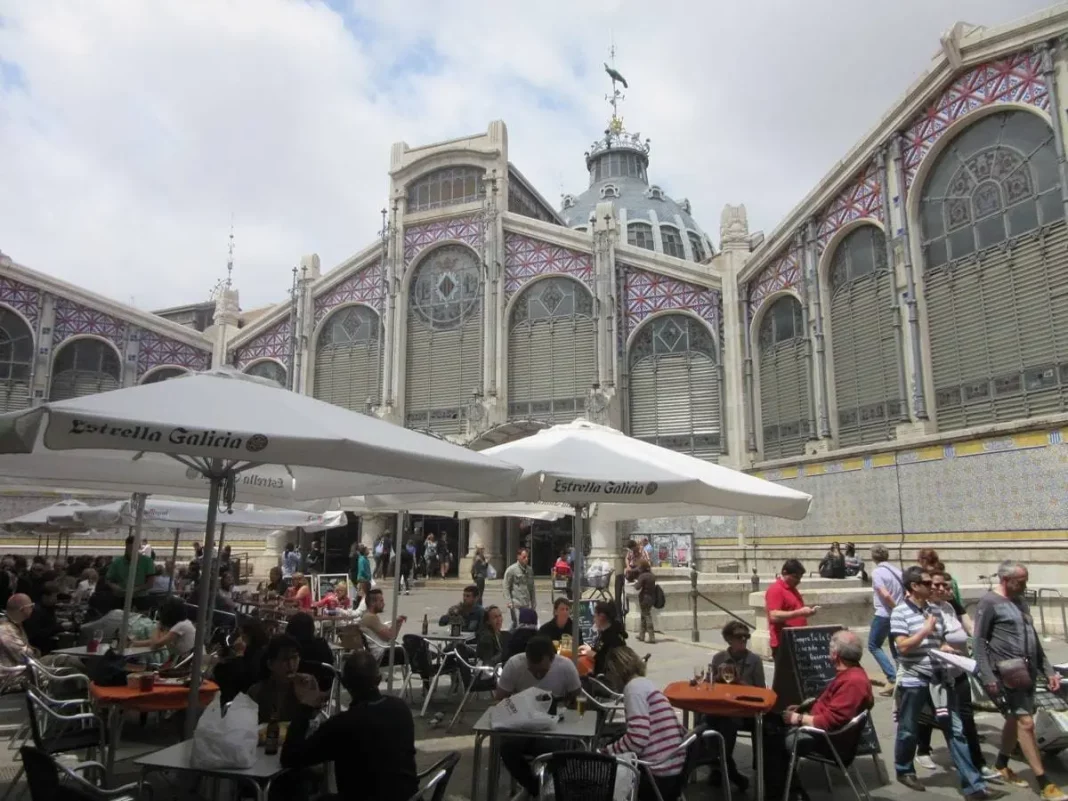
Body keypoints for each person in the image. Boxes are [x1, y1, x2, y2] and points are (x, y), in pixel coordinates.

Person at [891, 566, 1004, 799]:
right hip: (914, 679)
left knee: (955, 730)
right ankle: (904, 769)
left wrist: (947, 649)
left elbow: (939, 640)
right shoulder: (900, 612)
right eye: (926, 583)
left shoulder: (935, 610)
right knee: (909, 728)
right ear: (914, 586)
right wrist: (925, 630)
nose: (932, 586)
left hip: (940, 679)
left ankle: (973, 786)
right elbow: (901, 646)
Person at [974, 561, 1067, 800]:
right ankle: (1044, 782)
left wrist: (1047, 670)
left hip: (1027, 671)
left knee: (1015, 719)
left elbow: (1033, 639)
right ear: (1006, 580)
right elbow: (979, 642)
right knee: (1026, 723)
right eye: (1021, 581)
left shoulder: (1020, 601)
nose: (1025, 585)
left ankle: (1002, 764)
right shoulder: (989, 603)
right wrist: (987, 675)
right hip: (1005, 673)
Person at [280, 650, 418, 801]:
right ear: (378, 679)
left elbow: (290, 758)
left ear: (345, 683)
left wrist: (305, 706)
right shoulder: (401, 708)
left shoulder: (342, 725)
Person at [765, 630, 874, 800]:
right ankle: (786, 787)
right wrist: (803, 708)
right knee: (768, 721)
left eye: (830, 649)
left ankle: (787, 793)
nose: (828, 652)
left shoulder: (853, 682)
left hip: (830, 742)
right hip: (826, 733)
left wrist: (798, 718)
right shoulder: (851, 673)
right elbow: (832, 708)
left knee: (773, 739)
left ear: (835, 654)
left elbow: (831, 721)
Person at [913, 571, 998, 781]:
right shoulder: (922, 611)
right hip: (935, 676)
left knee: (966, 720)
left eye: (945, 586)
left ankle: (978, 764)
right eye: (937, 585)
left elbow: (970, 629)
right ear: (927, 587)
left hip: (959, 672)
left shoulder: (950, 607)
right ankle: (921, 753)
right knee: (932, 718)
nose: (943, 589)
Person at [495, 636, 583, 797]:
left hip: (553, 728)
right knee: (506, 749)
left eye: (542, 671)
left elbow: (578, 697)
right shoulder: (515, 664)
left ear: (552, 658)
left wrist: (567, 709)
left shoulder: (565, 666)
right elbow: (500, 697)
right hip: (521, 725)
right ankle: (537, 789)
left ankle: (547, 788)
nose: (537, 674)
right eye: (532, 670)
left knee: (557, 753)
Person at [602, 646, 687, 801]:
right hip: (674, 770)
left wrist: (607, 751)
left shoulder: (633, 689)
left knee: (603, 778)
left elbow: (638, 738)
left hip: (655, 775)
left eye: (608, 672)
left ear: (615, 670)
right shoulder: (645, 684)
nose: (609, 679)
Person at [704, 620, 764, 792]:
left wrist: (740, 682)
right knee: (705, 719)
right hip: (722, 707)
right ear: (729, 639)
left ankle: (722, 767)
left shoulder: (754, 660)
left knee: (727, 724)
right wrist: (714, 677)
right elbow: (710, 688)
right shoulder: (719, 658)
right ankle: (719, 765)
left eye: (746, 637)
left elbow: (761, 692)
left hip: (745, 711)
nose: (744, 640)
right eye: (739, 637)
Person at [247, 634, 317, 723]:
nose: (291, 665)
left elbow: (314, 723)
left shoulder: (307, 683)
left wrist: (306, 698)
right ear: (270, 664)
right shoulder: (255, 692)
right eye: (284, 659)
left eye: (294, 657)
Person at [868, 544, 903, 696]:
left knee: (873, 645)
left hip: (885, 614)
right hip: (898, 614)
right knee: (895, 646)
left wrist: (895, 608)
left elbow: (885, 595)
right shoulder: (898, 571)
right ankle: (902, 677)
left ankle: (892, 677)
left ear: (873, 557)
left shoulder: (877, 572)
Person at [765, 559, 817, 659]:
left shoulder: (792, 588)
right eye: (795, 577)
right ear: (785, 573)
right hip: (783, 643)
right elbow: (773, 616)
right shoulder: (776, 589)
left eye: (800, 578)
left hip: (797, 641)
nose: (798, 581)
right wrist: (800, 612)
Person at [130, 596, 197, 662]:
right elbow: (159, 640)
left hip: (189, 662)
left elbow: (154, 645)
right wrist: (135, 643)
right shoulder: (183, 623)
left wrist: (158, 626)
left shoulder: (180, 626)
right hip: (186, 660)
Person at [358, 588, 407, 667]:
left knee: (412, 649)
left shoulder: (368, 616)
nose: (384, 604)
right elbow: (389, 637)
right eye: (381, 601)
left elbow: (390, 636)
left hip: (382, 650)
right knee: (413, 650)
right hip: (381, 654)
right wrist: (397, 623)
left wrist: (397, 622)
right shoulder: (370, 617)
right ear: (373, 603)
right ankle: (427, 676)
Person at [579, 600, 628, 677]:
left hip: (607, 677)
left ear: (601, 617)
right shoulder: (607, 632)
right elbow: (600, 651)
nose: (593, 619)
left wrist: (591, 653)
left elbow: (605, 660)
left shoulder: (611, 636)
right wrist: (590, 649)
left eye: (595, 616)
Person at [105, 535, 156, 605]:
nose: (132, 551)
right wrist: (115, 586)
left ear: (139, 547)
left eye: (135, 548)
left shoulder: (148, 561)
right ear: (126, 547)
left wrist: (135, 589)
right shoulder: (117, 562)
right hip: (120, 597)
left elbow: (150, 583)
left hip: (140, 597)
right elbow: (108, 580)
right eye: (130, 548)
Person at [23, 582, 70, 655]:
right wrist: (60, 627)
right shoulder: (36, 611)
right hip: (40, 649)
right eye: (54, 596)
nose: (56, 599)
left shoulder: (48, 608)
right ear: (45, 597)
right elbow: (35, 634)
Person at [503, 547, 536, 629]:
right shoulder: (511, 570)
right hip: (516, 604)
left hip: (526, 604)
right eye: (524, 557)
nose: (526, 559)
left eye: (527, 557)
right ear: (518, 557)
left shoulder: (529, 570)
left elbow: (532, 587)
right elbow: (506, 586)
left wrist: (533, 602)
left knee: (525, 625)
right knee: (518, 625)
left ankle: (511, 637)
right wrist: (509, 601)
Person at [635, 562, 657, 644]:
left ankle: (651, 637)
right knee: (643, 616)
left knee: (647, 616)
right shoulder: (652, 576)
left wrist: (635, 583)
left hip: (644, 598)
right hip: (651, 598)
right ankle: (642, 635)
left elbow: (637, 587)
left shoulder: (642, 576)